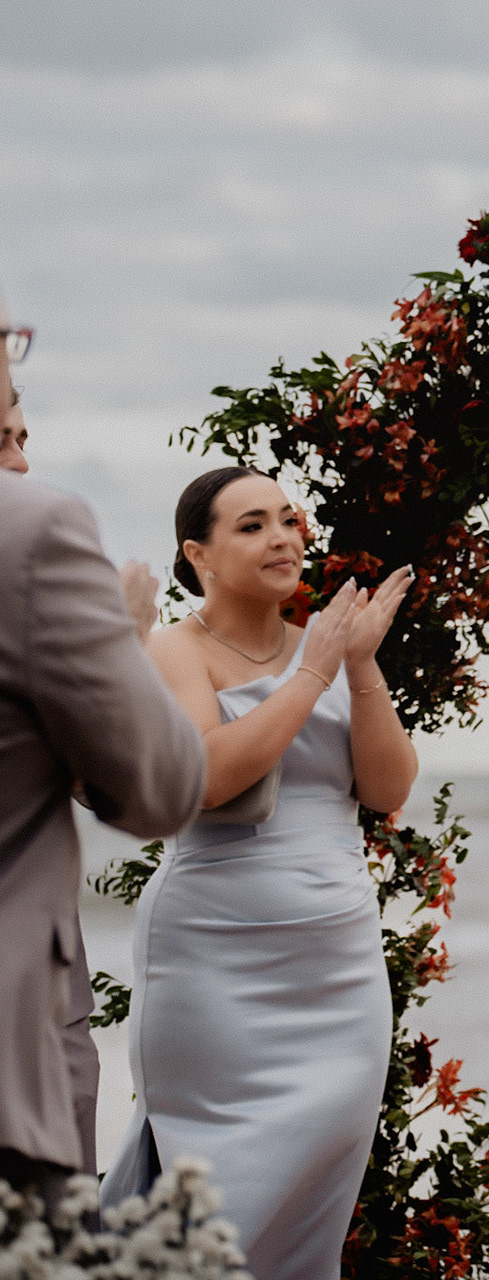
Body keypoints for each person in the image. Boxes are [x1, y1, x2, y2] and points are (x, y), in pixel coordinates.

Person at [100, 466, 417, 1280]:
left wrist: (359, 665)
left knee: (309, 1216)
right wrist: (312, 673)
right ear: (197, 554)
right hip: (214, 963)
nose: (281, 537)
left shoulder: (329, 647)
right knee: (216, 1211)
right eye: (251, 525)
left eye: (287, 519)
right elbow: (205, 776)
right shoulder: (175, 648)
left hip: (338, 977)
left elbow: (387, 789)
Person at [0, 313, 206, 1206]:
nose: (19, 461)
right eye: (5, 428)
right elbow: (159, 789)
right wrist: (124, 635)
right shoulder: (33, 533)